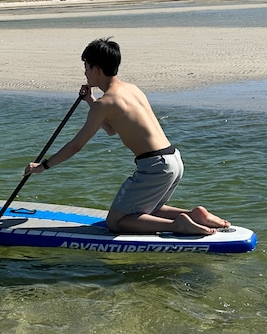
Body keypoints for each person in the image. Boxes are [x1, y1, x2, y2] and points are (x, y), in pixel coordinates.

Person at [24, 37, 230, 235]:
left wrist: (43, 166)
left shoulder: (105, 104)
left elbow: (75, 146)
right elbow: (113, 128)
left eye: (86, 67)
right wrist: (90, 101)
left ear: (96, 70)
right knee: (148, 210)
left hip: (155, 166)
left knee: (114, 222)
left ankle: (178, 225)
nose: (85, 73)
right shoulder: (131, 89)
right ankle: (196, 215)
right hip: (173, 159)